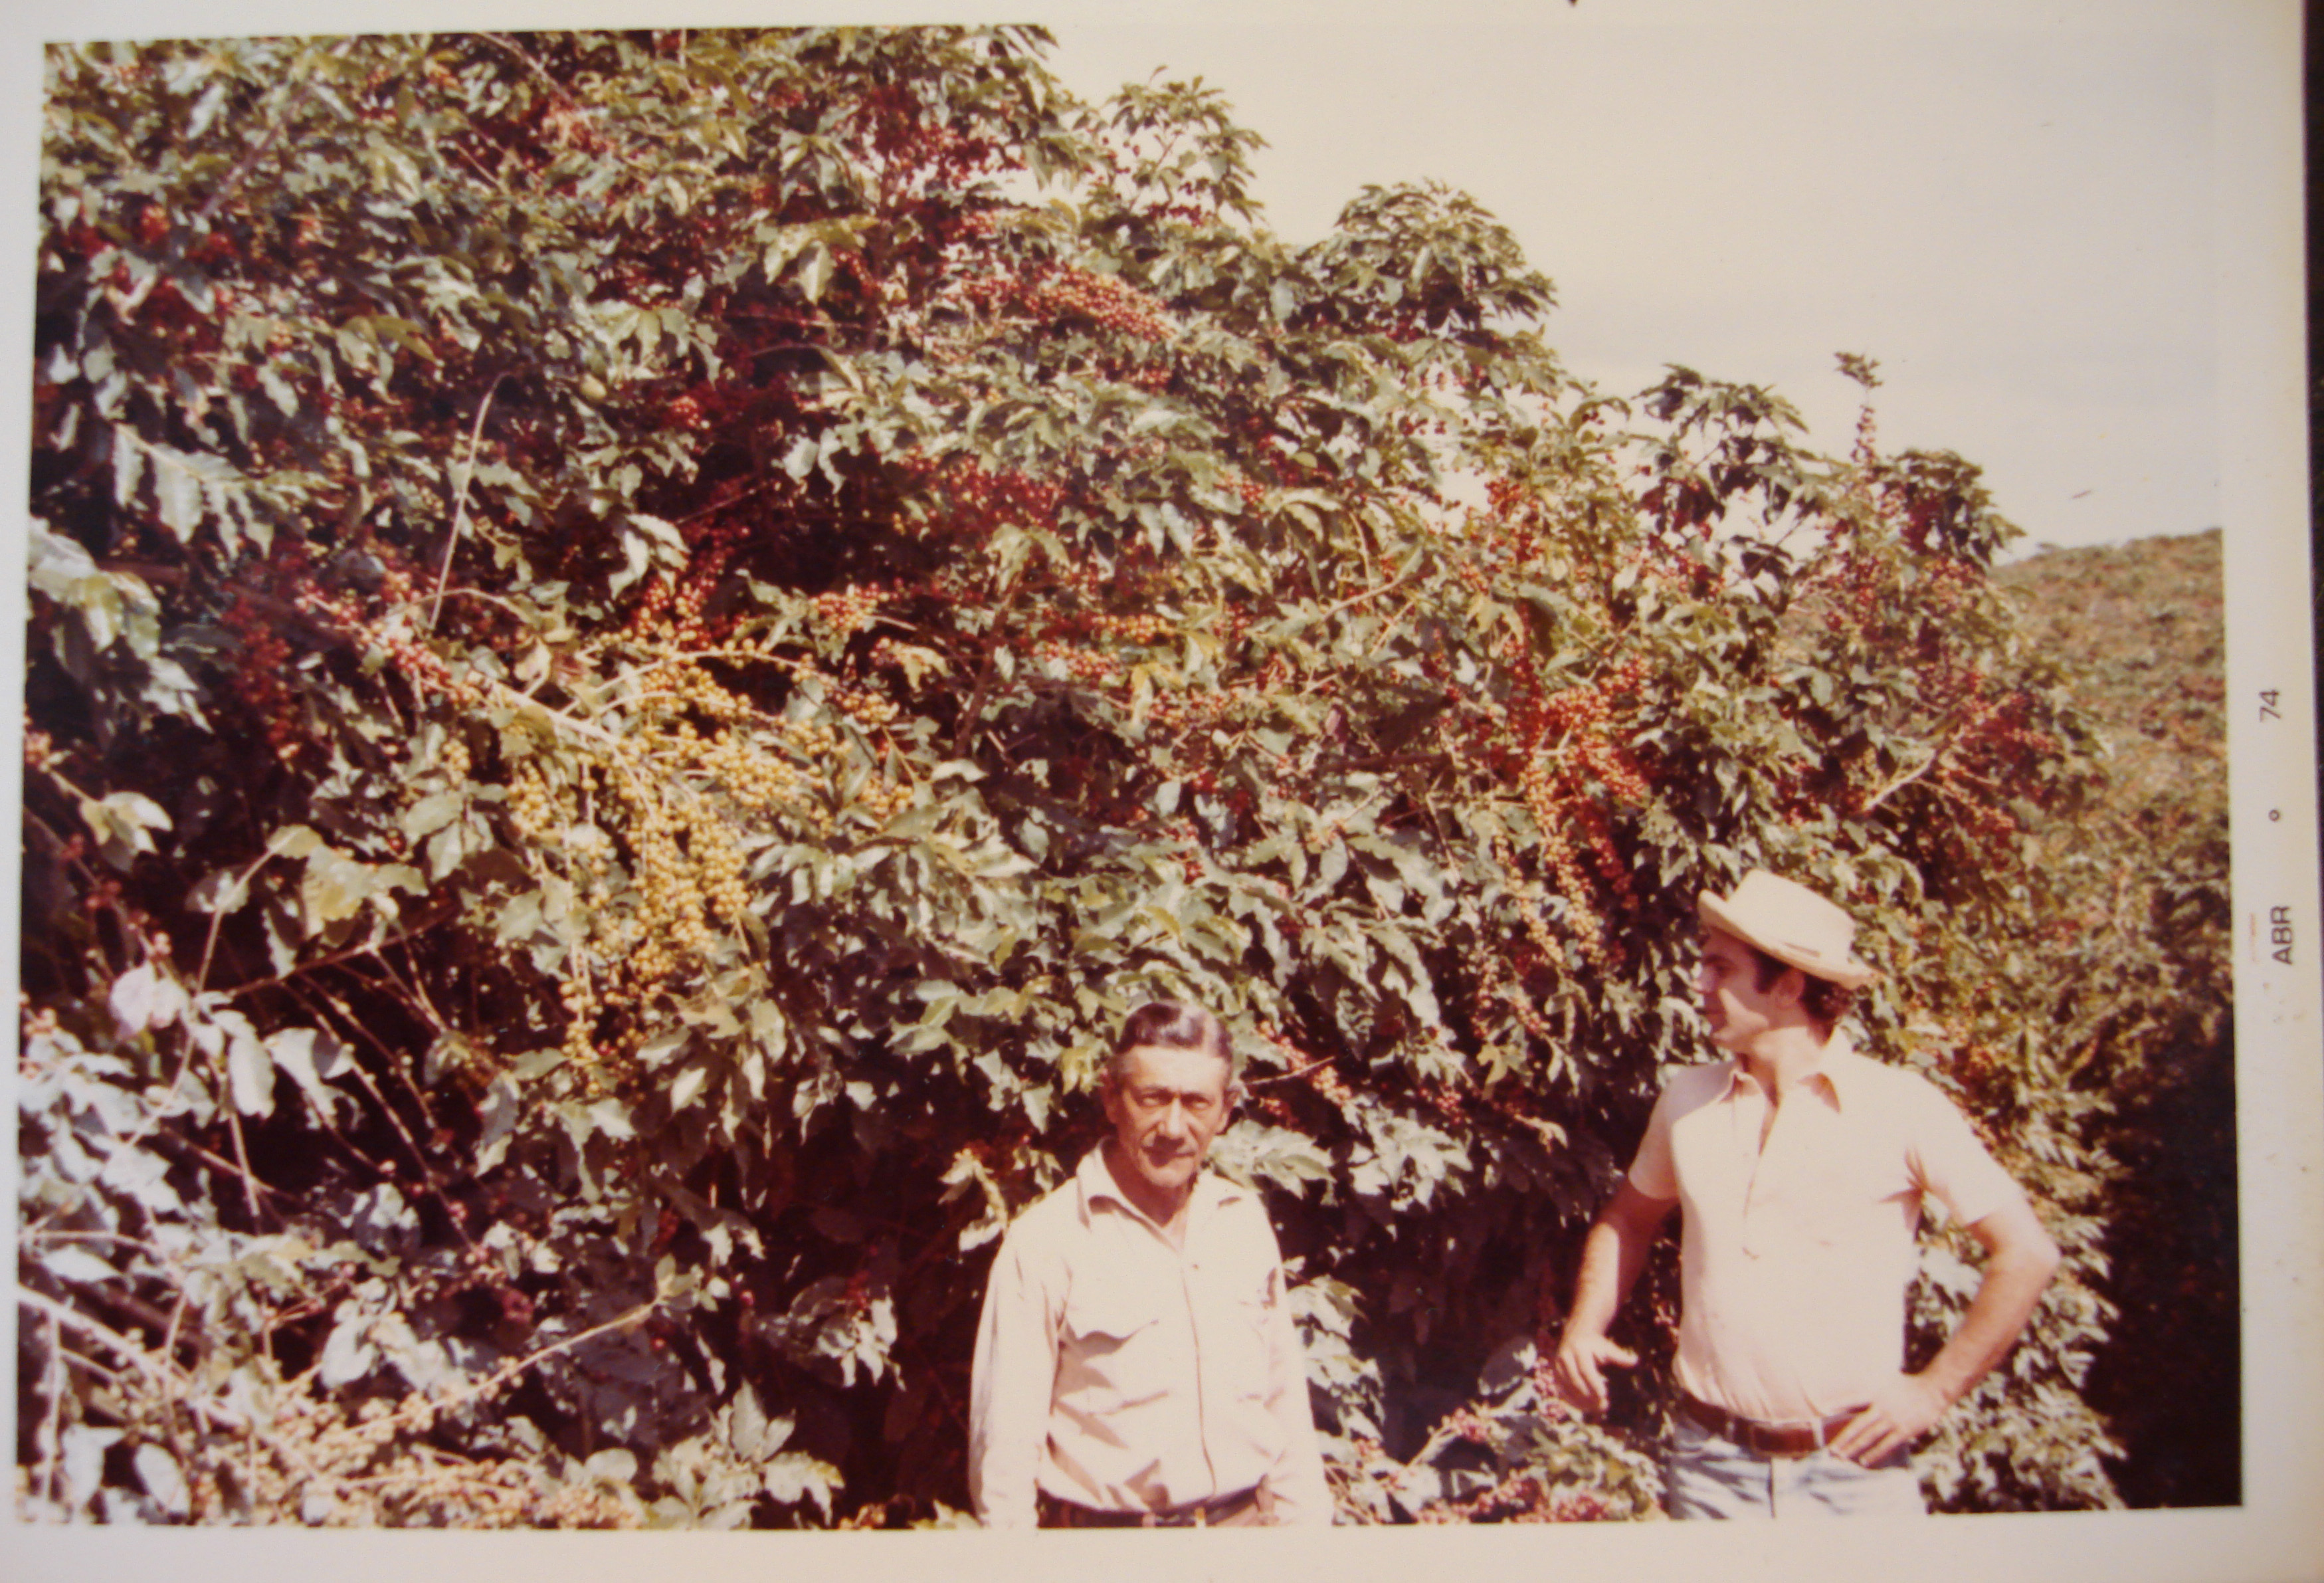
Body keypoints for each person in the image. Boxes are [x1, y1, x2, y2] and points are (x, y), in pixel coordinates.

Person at [1551, 869, 2061, 1518]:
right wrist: (1584, 1326)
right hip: (1709, 1471)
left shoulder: (1900, 1107)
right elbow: (1627, 1220)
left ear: (1789, 986)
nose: (1699, 985)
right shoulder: (1686, 1101)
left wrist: (1933, 1393)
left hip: (1855, 1476)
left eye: (1721, 969)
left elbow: (2027, 1253)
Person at [968, 1000, 1331, 1527]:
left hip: (1249, 1541)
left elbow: (1285, 1410)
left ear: (1226, 1111)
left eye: (1197, 1103)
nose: (1173, 1126)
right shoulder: (1046, 1242)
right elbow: (1003, 1459)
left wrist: (1311, 1550)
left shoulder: (1242, 1223)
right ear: (1111, 1099)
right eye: (1153, 1098)